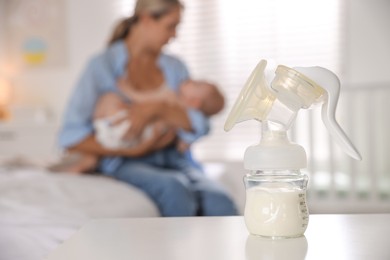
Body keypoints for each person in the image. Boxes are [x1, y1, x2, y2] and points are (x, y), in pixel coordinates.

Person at [58, 0, 237, 217]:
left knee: (219, 199)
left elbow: (200, 122)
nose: (175, 35)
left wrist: (157, 108)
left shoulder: (175, 67)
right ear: (146, 19)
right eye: (171, 26)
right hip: (127, 160)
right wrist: (131, 150)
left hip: (175, 158)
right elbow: (70, 135)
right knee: (174, 188)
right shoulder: (102, 67)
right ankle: (179, 251)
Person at [63, 79, 225, 173]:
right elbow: (188, 137)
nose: (190, 80)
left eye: (196, 84)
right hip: (133, 139)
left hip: (126, 133)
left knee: (109, 98)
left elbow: (142, 99)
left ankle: (93, 156)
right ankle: (91, 159)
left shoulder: (170, 99)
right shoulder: (185, 118)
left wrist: (127, 90)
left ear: (195, 102)